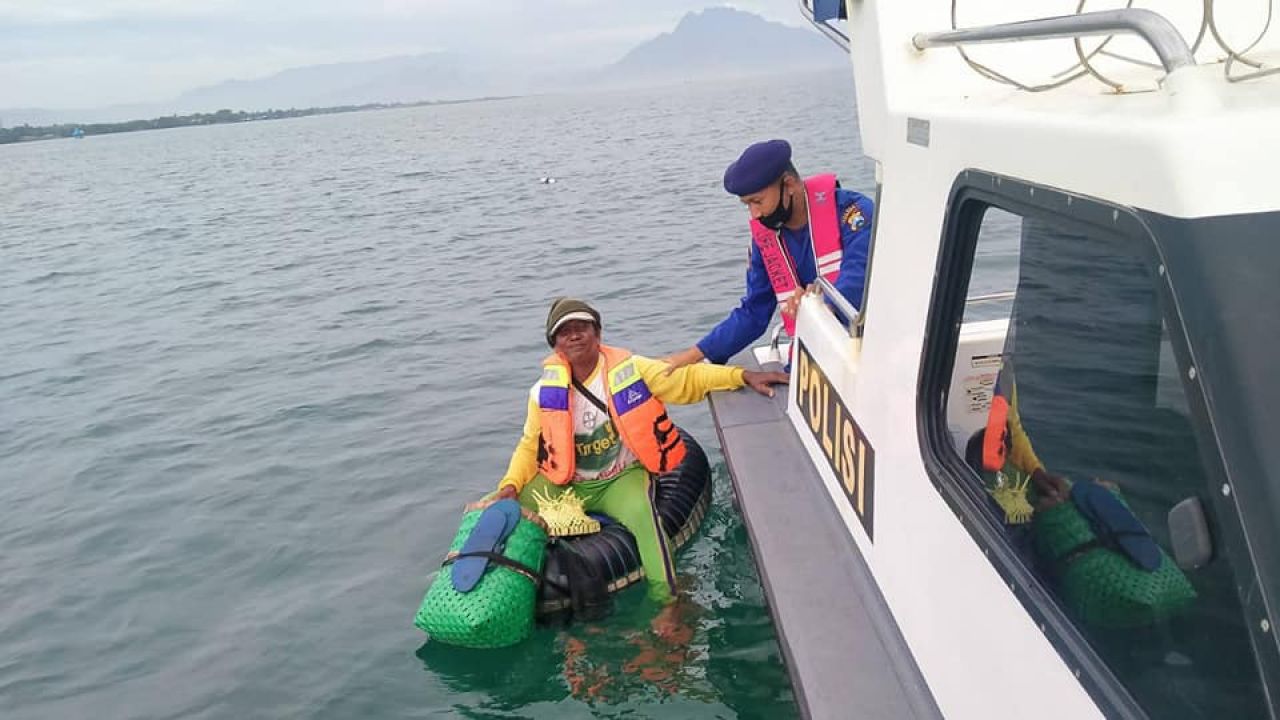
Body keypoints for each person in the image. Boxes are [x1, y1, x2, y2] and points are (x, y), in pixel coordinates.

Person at [495, 297, 788, 602]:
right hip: (566, 483)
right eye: (564, 331)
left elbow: (686, 379)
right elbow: (530, 446)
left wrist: (741, 376)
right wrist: (510, 485)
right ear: (554, 344)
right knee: (502, 507)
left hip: (619, 479)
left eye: (582, 327)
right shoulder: (542, 392)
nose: (574, 335)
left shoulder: (630, 370)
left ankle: (669, 600)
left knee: (645, 519)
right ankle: (480, 577)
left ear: (598, 333)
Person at [663, 139, 875, 369]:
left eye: (758, 201)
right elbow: (754, 312)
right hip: (813, 359)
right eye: (747, 205)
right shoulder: (766, 240)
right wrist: (690, 356)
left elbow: (859, 276)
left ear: (790, 184)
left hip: (870, 346)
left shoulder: (853, 213)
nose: (754, 214)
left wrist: (819, 304)